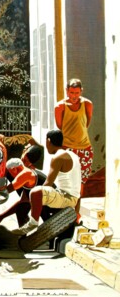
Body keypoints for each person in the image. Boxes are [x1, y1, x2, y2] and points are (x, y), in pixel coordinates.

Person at [12, 129, 81, 235]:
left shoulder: (58, 157)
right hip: (75, 198)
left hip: (66, 198)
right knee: (39, 197)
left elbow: (48, 183)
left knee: (35, 193)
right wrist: (77, 211)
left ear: (48, 141)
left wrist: (33, 197)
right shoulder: (73, 156)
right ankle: (47, 226)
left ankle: (32, 224)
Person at [55, 78, 94, 213]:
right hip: (68, 148)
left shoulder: (87, 104)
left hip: (85, 149)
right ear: (67, 91)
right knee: (68, 182)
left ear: (81, 91)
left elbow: (86, 123)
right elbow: (60, 126)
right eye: (71, 93)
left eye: (77, 93)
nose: (74, 96)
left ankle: (76, 213)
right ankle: (65, 212)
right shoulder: (60, 107)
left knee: (81, 183)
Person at [0, 144, 46, 227]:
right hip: (41, 203)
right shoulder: (22, 170)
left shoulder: (27, 173)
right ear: (24, 152)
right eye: (23, 159)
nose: (24, 164)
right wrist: (1, 216)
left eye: (26, 162)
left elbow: (5, 192)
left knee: (23, 209)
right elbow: (22, 202)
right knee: (21, 209)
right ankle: (26, 235)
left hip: (51, 208)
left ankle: (28, 233)